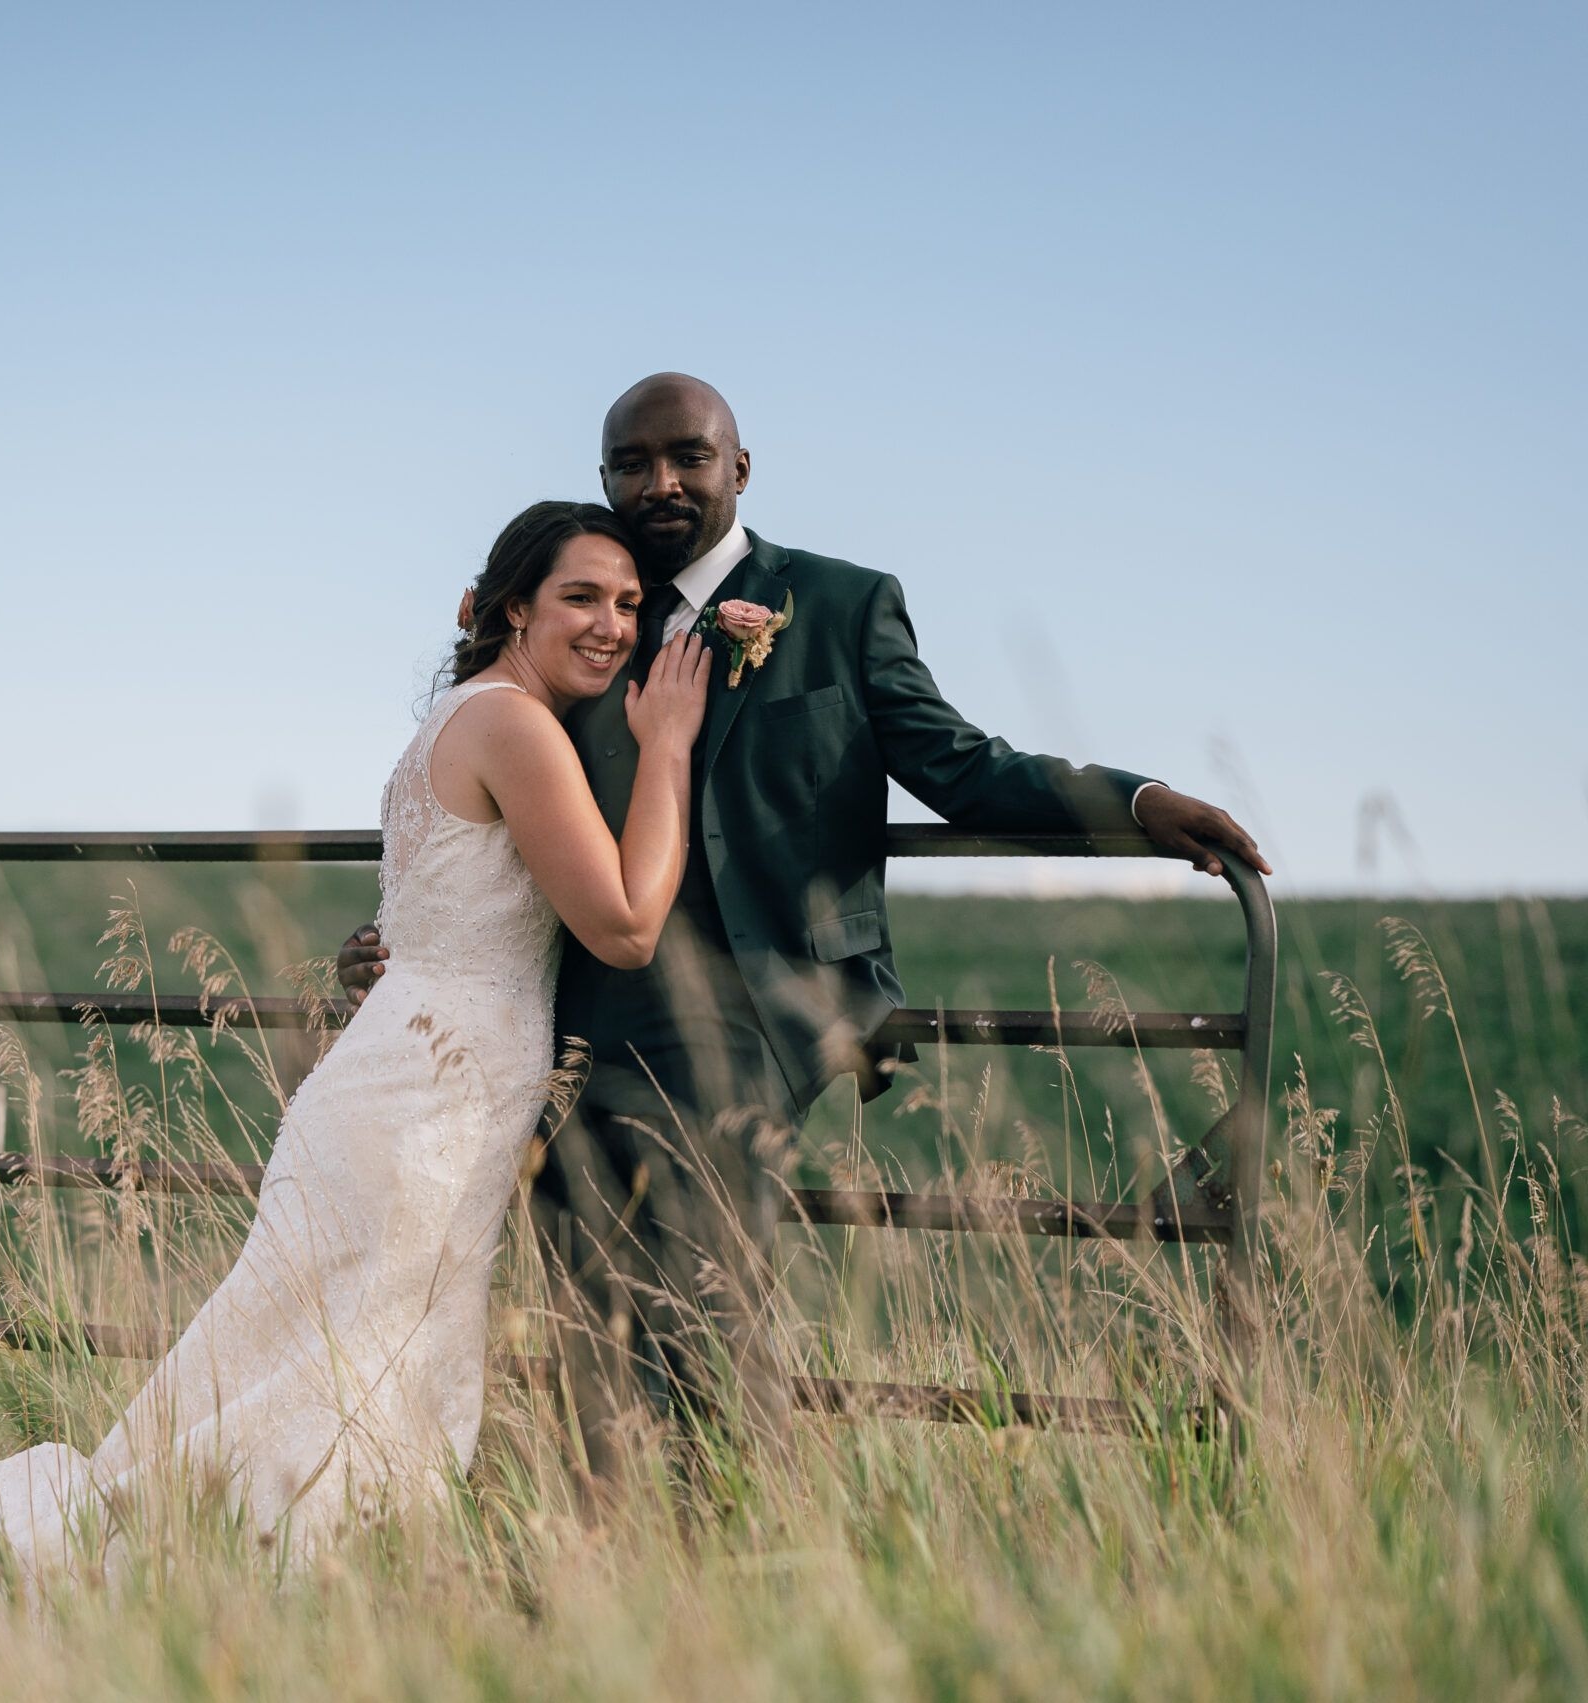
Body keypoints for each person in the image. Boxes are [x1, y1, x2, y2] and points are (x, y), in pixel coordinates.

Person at [337, 373, 1269, 1475]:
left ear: (740, 466)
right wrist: (423, 939)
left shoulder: (838, 602)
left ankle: (748, 1519)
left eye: (688, 455)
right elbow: (503, 807)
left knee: (696, 1276)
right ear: (603, 481)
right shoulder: (592, 625)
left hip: (765, 998)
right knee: (592, 1285)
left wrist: (1135, 801)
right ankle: (623, 1531)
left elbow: (961, 766)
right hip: (584, 1002)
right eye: (632, 465)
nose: (662, 481)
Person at [0, 501, 714, 1597]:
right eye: (582, 597)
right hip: (425, 1116)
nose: (611, 623)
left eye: (630, 603)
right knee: (348, 1376)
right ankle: (162, 1582)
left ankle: (169, 1577)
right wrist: (670, 747)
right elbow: (626, 924)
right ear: (514, 606)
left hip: (397, 1090)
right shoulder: (517, 727)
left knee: (285, 1365)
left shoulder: (460, 716)